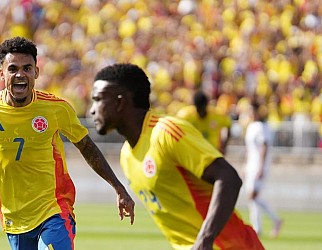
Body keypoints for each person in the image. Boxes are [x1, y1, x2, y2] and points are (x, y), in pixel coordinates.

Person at [0, 37, 135, 250]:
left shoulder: (56, 109)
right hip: (14, 218)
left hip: (54, 208)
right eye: (13, 68)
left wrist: (118, 188)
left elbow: (87, 147)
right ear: (2, 74)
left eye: (27, 68)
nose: (20, 74)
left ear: (36, 72)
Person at [90, 63, 264, 249]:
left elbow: (229, 178)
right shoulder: (126, 155)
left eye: (98, 99)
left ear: (119, 102)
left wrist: (204, 240)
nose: (92, 109)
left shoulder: (166, 133)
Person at [243, 100, 283, 238]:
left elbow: (264, 147)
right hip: (251, 166)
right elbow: (249, 149)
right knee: (252, 198)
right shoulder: (250, 127)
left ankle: (275, 219)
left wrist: (260, 167)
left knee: (252, 196)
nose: (250, 114)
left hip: (259, 166)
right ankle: (258, 227)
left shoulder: (261, 127)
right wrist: (246, 165)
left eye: (252, 111)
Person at [176, 90, 232, 154]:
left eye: (203, 108)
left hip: (212, 153)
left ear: (207, 105)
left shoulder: (217, 114)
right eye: (198, 108)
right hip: (194, 152)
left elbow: (228, 125)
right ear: (194, 106)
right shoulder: (185, 115)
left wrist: (224, 145)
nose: (201, 111)